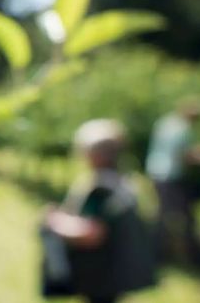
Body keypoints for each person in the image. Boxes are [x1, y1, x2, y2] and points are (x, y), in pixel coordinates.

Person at [42, 119, 155, 303]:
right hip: (113, 275)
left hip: (100, 276)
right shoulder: (123, 183)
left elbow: (92, 233)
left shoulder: (101, 188)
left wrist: (56, 222)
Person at [145, 98, 200, 270]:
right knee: (180, 216)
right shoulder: (184, 129)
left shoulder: (165, 122)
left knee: (164, 214)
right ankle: (161, 256)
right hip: (171, 176)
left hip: (156, 172)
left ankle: (158, 254)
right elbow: (183, 156)